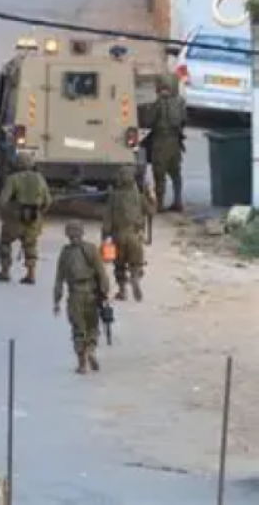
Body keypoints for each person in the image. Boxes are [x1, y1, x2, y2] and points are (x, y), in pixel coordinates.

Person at [53, 220, 110, 374]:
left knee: (78, 329)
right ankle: (91, 349)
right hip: (91, 294)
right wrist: (105, 292)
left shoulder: (65, 253)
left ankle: (82, 363)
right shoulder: (91, 249)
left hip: (74, 295)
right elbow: (102, 273)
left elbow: (59, 279)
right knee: (92, 326)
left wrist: (56, 300)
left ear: (67, 234)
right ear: (82, 232)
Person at [0, 152, 52, 284]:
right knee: (30, 245)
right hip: (33, 219)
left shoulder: (13, 179)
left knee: (5, 243)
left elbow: (2, 201)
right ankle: (31, 274)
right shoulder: (40, 178)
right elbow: (48, 201)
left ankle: (5, 272)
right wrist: (39, 213)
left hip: (15, 219)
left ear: (17, 164)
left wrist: (5, 215)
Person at [102, 166, 153, 301]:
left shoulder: (113, 197)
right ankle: (135, 277)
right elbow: (150, 211)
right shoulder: (139, 196)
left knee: (119, 265)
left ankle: (122, 290)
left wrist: (104, 237)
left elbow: (107, 218)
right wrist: (151, 197)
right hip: (135, 236)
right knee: (136, 263)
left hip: (118, 236)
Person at [143, 74, 186, 213]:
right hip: (175, 142)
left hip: (160, 142)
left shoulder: (159, 103)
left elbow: (148, 121)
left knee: (159, 174)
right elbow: (184, 120)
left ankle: (160, 204)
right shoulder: (180, 102)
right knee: (176, 173)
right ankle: (178, 201)